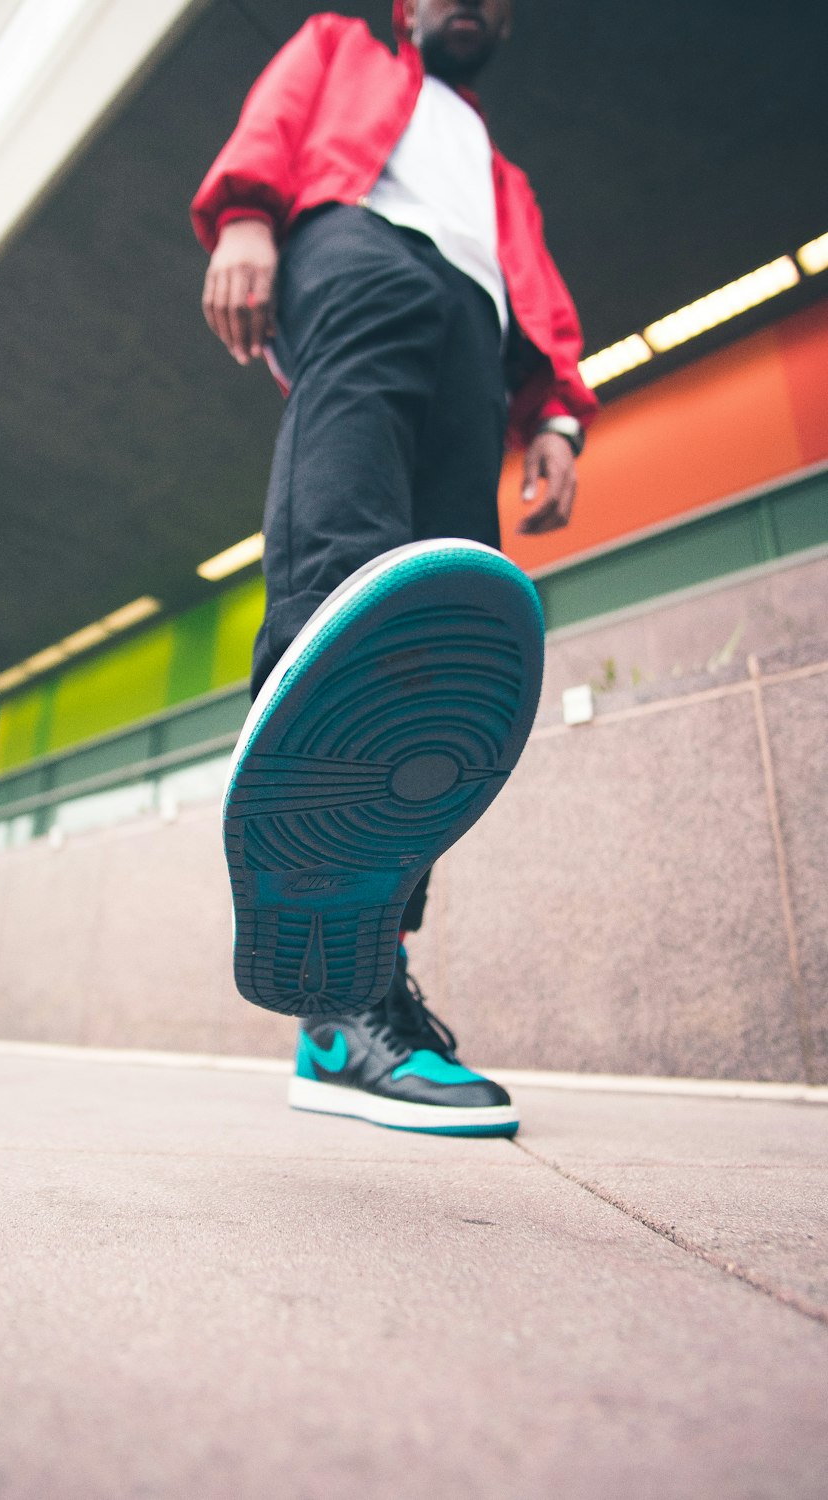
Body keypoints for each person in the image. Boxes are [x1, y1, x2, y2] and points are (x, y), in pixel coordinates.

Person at [191, 0, 596, 1135]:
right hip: (353, 246)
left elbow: (541, 293)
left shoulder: (499, 170)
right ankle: (340, 1007)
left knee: (438, 624)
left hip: (477, 328)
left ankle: (360, 999)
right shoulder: (341, 47)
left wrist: (559, 415)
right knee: (348, 570)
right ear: (406, 8)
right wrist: (246, 220)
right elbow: (273, 117)